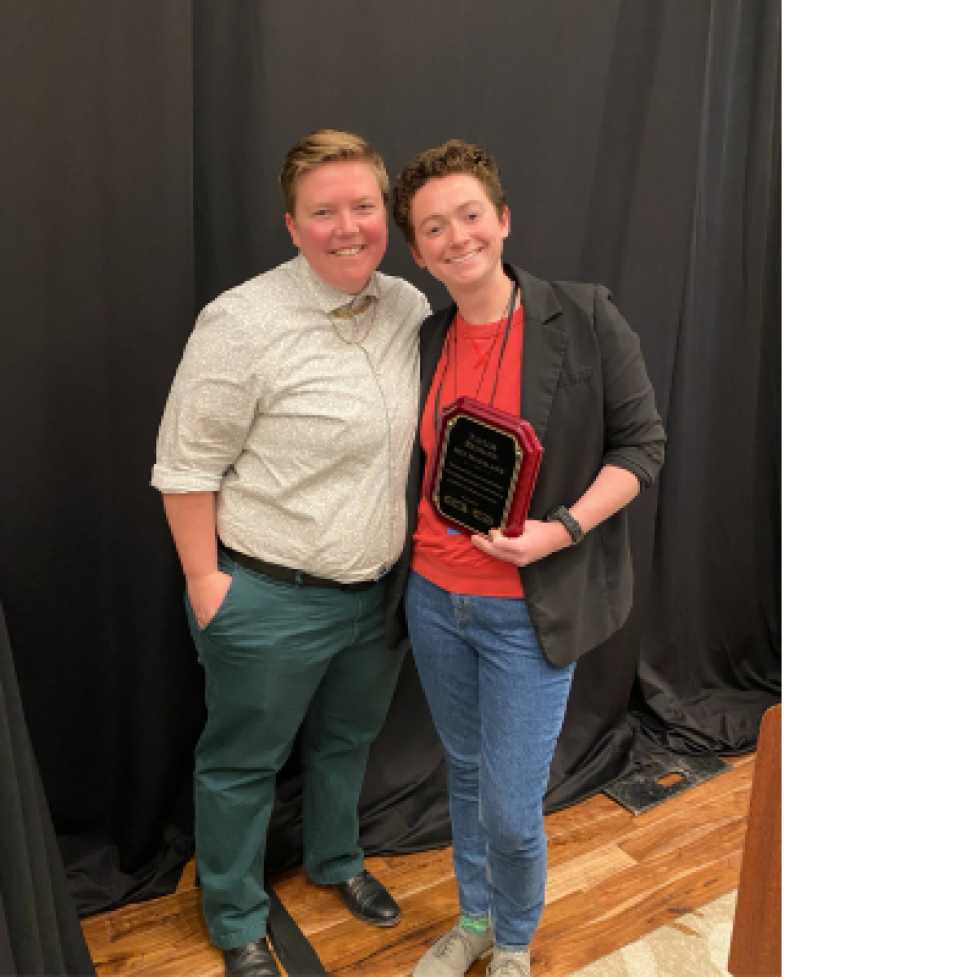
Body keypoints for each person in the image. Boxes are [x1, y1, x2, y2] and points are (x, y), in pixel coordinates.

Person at [151, 129, 430, 977]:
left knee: (347, 743)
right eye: (323, 211)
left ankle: (336, 860)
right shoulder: (242, 321)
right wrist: (207, 583)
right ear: (291, 224)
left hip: (375, 594)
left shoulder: (409, 308)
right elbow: (184, 464)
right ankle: (235, 915)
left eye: (362, 206)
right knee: (241, 763)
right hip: (268, 595)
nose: (346, 227)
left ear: (386, 213)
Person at [386, 140, 666, 977]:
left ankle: (513, 942)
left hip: (527, 608)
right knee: (463, 774)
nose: (455, 236)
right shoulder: (426, 336)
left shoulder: (583, 315)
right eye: (433, 227)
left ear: (502, 220)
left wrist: (561, 530)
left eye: (469, 215)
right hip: (435, 597)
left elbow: (642, 447)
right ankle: (474, 918)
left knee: (510, 806)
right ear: (417, 250)